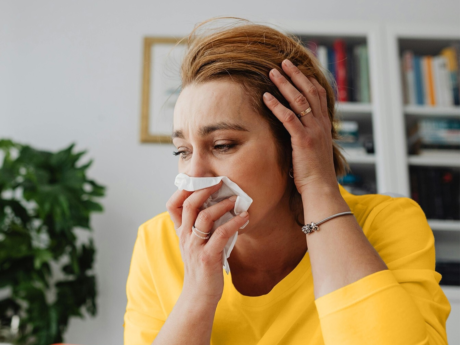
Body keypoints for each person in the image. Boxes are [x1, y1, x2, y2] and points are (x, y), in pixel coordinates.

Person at [123, 18, 451, 345]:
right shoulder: (158, 242)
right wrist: (197, 291)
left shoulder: (386, 223)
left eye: (222, 145)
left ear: (295, 142)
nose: (192, 175)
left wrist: (319, 186)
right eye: (182, 150)